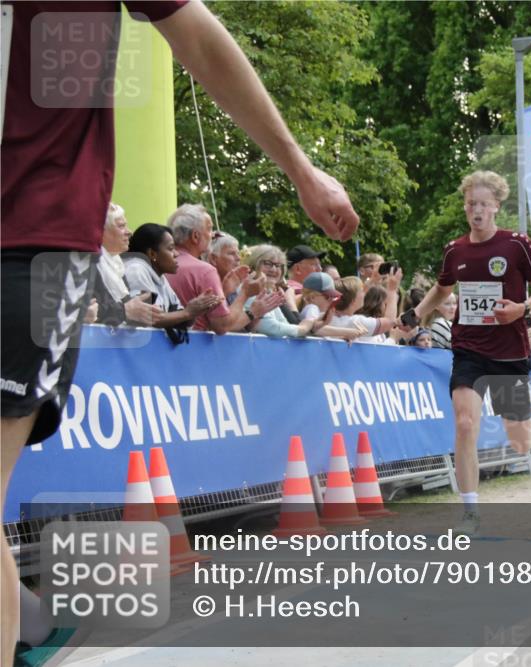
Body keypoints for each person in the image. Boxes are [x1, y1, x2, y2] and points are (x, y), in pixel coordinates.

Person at [1, 2, 363, 661]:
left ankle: (31, 625)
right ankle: (31, 625)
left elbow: (195, 33)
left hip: (31, 241)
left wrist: (301, 171)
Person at [402, 170, 531, 536]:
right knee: (465, 424)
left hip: (509, 350)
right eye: (471, 204)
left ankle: (526, 425)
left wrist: (522, 309)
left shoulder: (517, 244)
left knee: (518, 441)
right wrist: (416, 314)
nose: (476, 211)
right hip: (468, 346)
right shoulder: (455, 249)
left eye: (483, 204)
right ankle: (469, 511)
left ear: (497, 206)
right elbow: (442, 288)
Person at [167, 204, 261, 334]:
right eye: (210, 230)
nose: (212, 235)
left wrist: (224, 291)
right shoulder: (204, 270)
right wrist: (245, 294)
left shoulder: (161, 264)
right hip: (194, 348)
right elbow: (221, 325)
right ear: (195, 236)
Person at [123, 224, 228, 333]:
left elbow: (177, 316)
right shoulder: (136, 269)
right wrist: (188, 313)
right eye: (171, 248)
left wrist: (197, 310)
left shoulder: (160, 275)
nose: (176, 254)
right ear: (152, 253)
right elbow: (146, 317)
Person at [90, 204, 161, 327]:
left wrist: (141, 311)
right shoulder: (89, 264)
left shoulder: (116, 264)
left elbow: (123, 312)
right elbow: (87, 310)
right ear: (101, 231)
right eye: (122, 226)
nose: (129, 232)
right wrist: (125, 310)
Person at [205, 231, 248, 303]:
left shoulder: (237, 286)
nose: (239, 258)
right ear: (213, 259)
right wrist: (245, 293)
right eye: (232, 253)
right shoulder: (204, 287)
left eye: (238, 253)